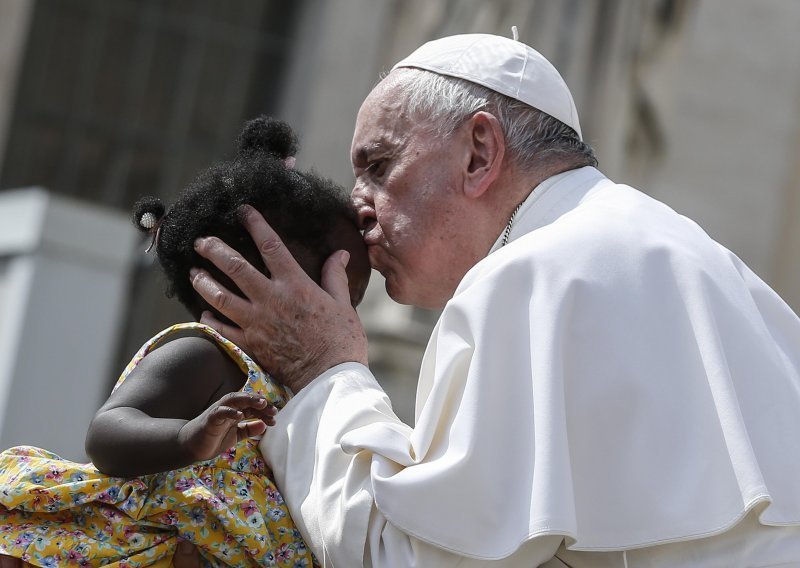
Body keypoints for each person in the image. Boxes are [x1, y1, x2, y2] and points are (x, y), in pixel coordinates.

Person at [188, 34, 800, 566]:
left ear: (479, 152)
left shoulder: (530, 276)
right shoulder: (694, 254)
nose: (358, 205)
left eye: (379, 166)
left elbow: (407, 560)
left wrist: (321, 368)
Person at [0, 116, 371, 567]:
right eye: (341, 296)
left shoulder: (311, 386)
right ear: (256, 282)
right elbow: (108, 433)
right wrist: (187, 437)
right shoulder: (205, 356)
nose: (347, 320)